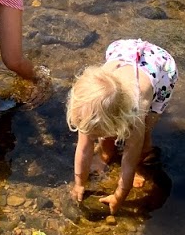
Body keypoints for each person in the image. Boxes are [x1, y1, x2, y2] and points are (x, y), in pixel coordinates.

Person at [67, 39, 177, 213]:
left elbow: (128, 163)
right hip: (123, 52)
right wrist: (79, 183)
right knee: (103, 133)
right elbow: (83, 148)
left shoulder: (136, 116)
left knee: (145, 134)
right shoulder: (86, 110)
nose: (91, 135)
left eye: (97, 132)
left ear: (119, 120)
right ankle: (106, 152)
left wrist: (119, 196)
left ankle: (143, 164)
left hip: (161, 70)